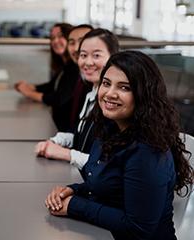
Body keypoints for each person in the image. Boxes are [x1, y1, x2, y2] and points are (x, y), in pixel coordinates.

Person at [45, 51, 194, 239]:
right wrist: (74, 189)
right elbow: (110, 185)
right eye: (106, 84)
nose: (110, 93)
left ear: (144, 95)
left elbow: (139, 228)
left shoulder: (147, 151)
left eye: (124, 88)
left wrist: (75, 205)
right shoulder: (109, 129)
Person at [36, 28, 119, 170]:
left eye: (96, 55)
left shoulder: (114, 103)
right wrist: (55, 141)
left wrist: (67, 154)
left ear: (113, 57)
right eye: (83, 55)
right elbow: (80, 134)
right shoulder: (91, 93)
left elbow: (107, 165)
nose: (88, 62)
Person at [15, 24, 92, 132]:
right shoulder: (66, 65)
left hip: (65, 131)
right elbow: (53, 85)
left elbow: (59, 98)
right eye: (52, 38)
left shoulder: (76, 68)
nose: (55, 41)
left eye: (60, 36)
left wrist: (29, 93)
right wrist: (31, 87)